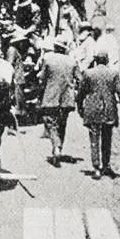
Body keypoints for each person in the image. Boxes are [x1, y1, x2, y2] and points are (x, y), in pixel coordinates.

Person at [76, 49, 120, 180]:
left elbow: (80, 93)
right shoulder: (113, 73)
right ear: (107, 60)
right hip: (108, 110)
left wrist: (80, 108)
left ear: (95, 60)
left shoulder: (88, 73)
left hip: (92, 110)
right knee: (107, 138)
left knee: (94, 139)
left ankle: (96, 168)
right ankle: (106, 165)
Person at [39, 37, 78, 165]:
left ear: (55, 47)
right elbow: (80, 78)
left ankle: (56, 146)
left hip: (51, 96)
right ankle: (59, 147)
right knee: (62, 123)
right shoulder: (72, 61)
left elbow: (43, 77)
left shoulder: (48, 59)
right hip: (67, 98)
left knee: (50, 123)